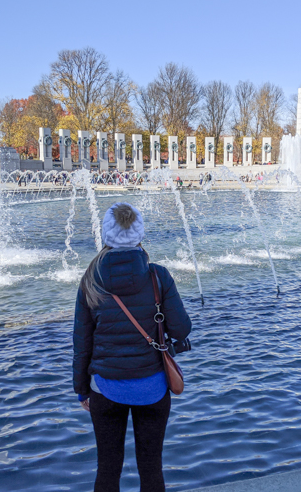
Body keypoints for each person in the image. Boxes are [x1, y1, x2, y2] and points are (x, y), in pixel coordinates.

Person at [73, 203, 192, 492]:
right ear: (140, 234)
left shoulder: (91, 279)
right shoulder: (158, 276)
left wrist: (81, 389)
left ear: (105, 235)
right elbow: (181, 329)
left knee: (108, 468)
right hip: (151, 386)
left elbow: (81, 341)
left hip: (105, 387)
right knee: (151, 467)